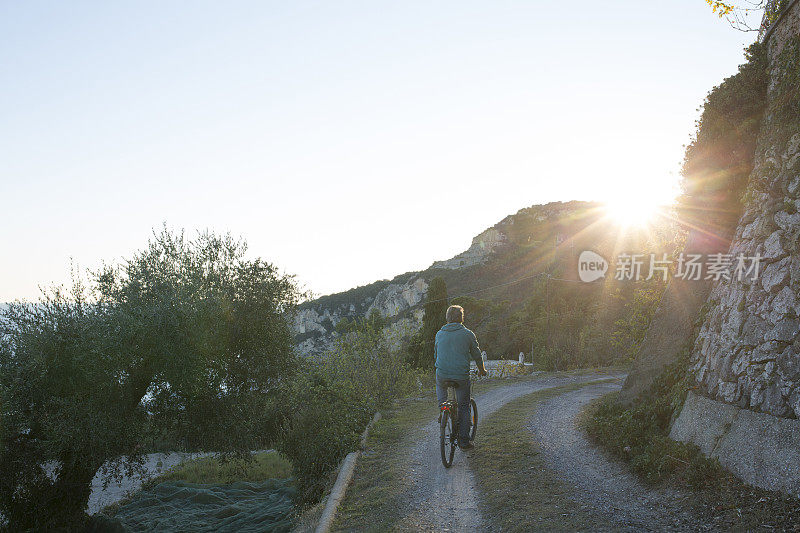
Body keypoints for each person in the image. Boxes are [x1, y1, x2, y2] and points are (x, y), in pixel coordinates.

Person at [434, 304, 487, 450]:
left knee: (440, 385)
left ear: (447, 318)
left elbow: (436, 355)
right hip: (460, 376)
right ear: (461, 318)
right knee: (463, 406)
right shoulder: (468, 334)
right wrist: (482, 370)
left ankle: (442, 410)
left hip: (442, 374)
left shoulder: (439, 334)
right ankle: (464, 442)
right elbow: (477, 355)